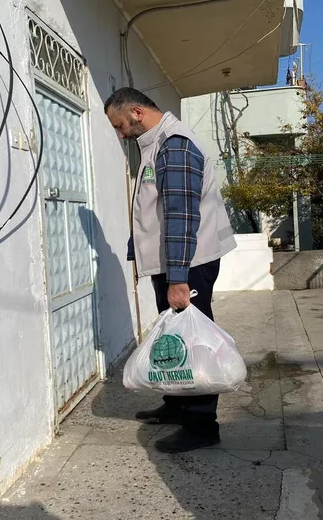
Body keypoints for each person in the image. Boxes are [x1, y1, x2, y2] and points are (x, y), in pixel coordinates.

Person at [104, 88, 237, 453]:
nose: (120, 134)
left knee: (193, 341)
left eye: (119, 125)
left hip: (188, 263)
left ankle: (201, 423)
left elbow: (180, 214)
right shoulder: (155, 144)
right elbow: (153, 211)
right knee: (174, 337)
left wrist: (178, 277)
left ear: (136, 112)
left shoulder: (174, 145)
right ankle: (178, 404)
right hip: (174, 261)